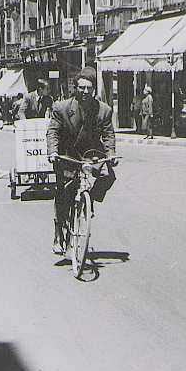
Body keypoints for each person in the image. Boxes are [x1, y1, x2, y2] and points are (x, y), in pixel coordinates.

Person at [46, 67, 117, 255]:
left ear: (94, 89)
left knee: (108, 176)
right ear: (75, 88)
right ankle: (59, 233)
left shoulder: (104, 110)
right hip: (68, 154)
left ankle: (90, 200)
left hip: (91, 153)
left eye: (89, 89)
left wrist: (110, 154)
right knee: (64, 195)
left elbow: (108, 135)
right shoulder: (61, 108)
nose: (85, 92)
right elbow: (53, 132)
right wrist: (53, 152)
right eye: (82, 88)